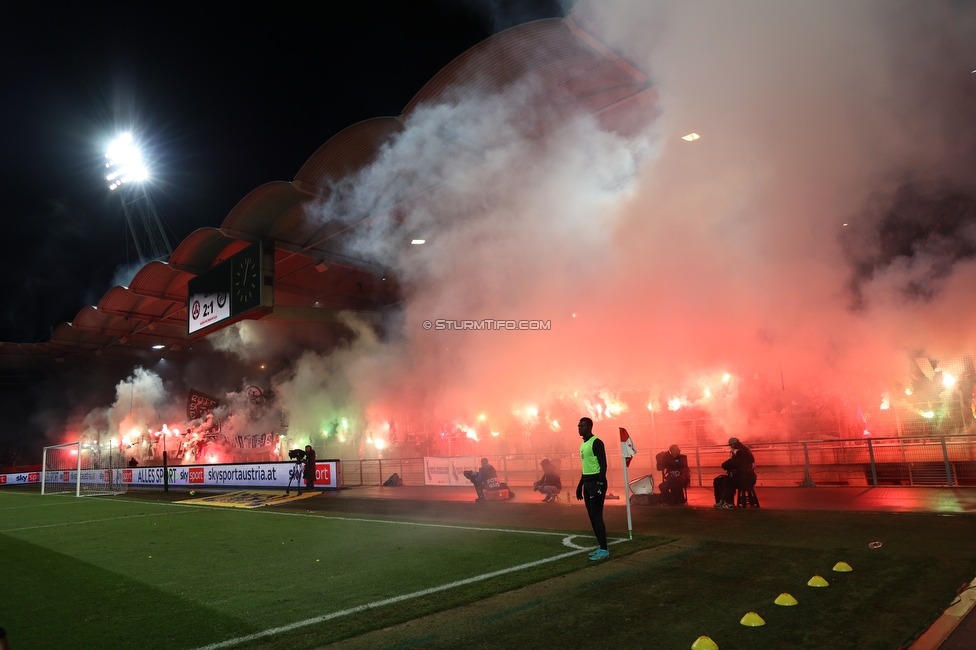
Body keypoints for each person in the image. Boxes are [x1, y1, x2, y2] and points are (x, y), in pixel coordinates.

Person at [576, 417, 610, 560]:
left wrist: (600, 484)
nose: (579, 428)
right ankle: (601, 546)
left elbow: (603, 465)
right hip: (587, 482)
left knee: (596, 515)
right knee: (592, 516)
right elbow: (586, 468)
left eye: (582, 426)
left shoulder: (596, 442)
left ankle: (604, 549)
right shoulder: (583, 444)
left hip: (596, 482)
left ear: (589, 427)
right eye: (578, 426)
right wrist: (580, 485)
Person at [713, 437, 756, 510]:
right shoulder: (744, 450)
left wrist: (726, 463)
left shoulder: (740, 452)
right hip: (748, 478)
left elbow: (731, 463)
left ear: (733, 444)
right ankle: (722, 501)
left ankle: (729, 503)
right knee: (718, 480)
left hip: (745, 479)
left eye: (731, 445)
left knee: (728, 481)